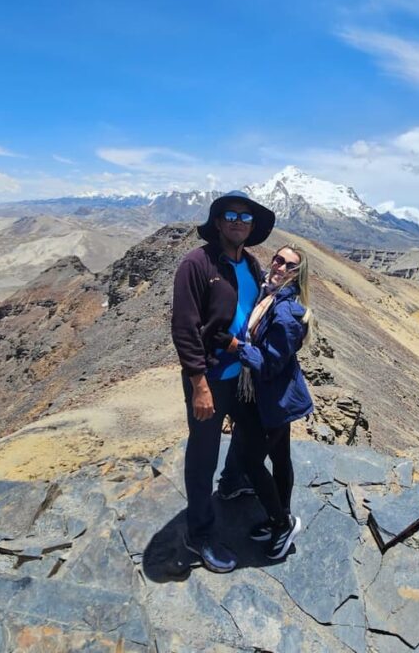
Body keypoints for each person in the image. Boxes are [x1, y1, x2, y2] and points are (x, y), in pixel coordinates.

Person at [171, 190, 275, 573]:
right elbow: (184, 328)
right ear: (217, 222)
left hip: (243, 376)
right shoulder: (196, 264)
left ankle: (232, 481)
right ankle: (198, 533)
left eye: (245, 217)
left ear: (252, 226)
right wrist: (198, 383)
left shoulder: (251, 264)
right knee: (203, 455)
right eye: (230, 215)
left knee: (252, 433)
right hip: (211, 377)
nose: (238, 222)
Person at [218, 243, 314, 560]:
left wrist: (235, 346)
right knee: (280, 457)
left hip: (273, 400)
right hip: (273, 397)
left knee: (251, 461)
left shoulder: (286, 315)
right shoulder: (268, 295)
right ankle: (279, 515)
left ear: (297, 275)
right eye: (277, 259)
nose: (279, 267)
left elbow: (268, 364)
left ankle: (282, 523)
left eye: (289, 265)